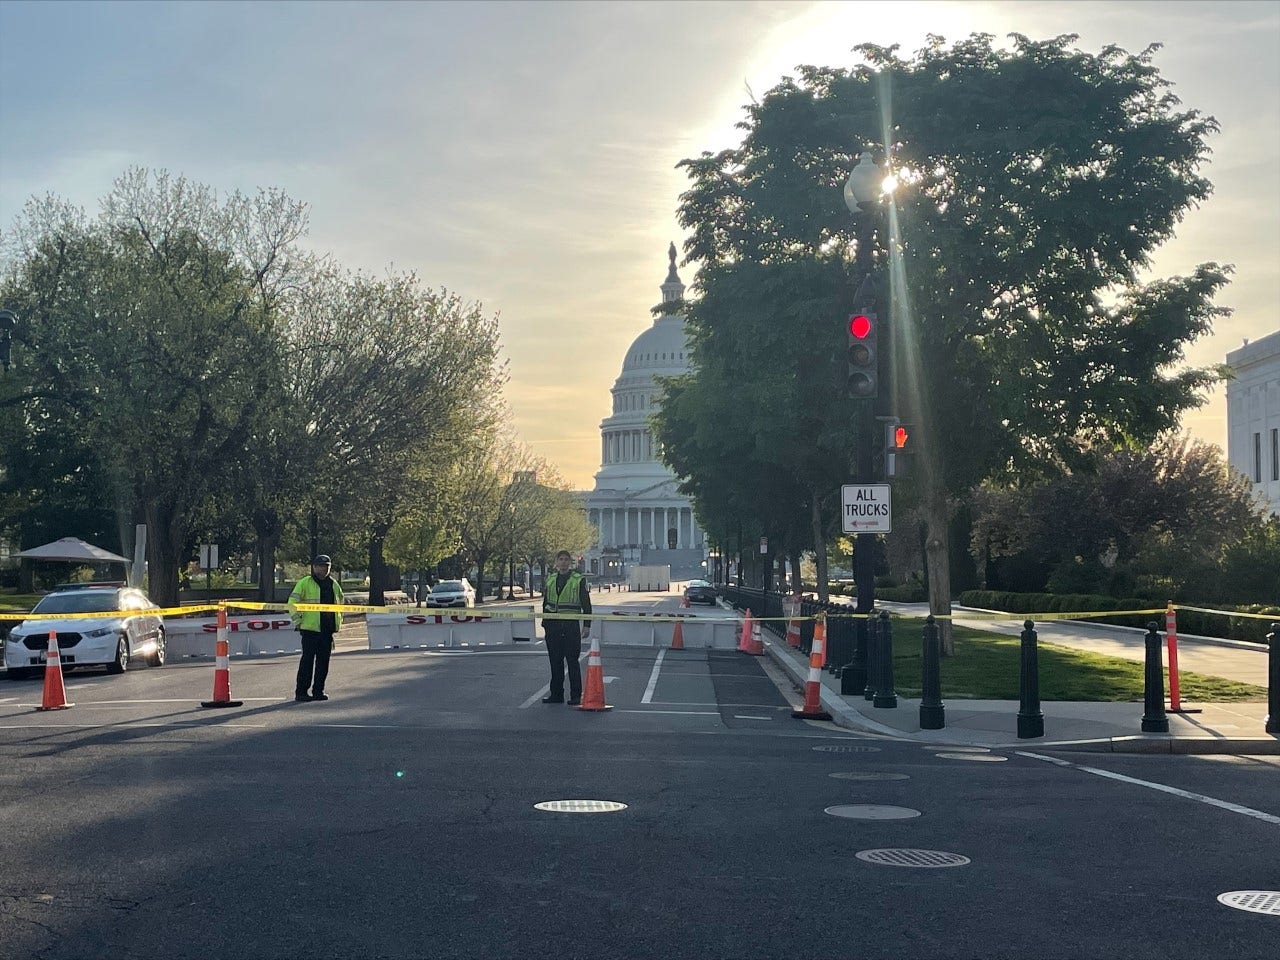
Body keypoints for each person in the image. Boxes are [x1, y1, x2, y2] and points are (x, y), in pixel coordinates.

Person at [288, 554, 344, 702]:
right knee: (307, 661)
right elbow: (292, 601)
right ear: (314, 567)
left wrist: (337, 623)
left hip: (326, 630)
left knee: (323, 662)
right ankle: (301, 692)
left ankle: (318, 691)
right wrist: (297, 621)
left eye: (326, 566)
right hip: (310, 629)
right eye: (320, 566)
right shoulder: (305, 583)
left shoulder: (334, 584)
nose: (324, 568)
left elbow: (340, 605)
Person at [541, 549, 591, 705]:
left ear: (570, 562)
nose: (563, 562)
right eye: (560, 559)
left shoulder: (578, 579)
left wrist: (587, 625)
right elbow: (546, 602)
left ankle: (576, 695)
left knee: (572, 661)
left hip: (570, 626)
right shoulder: (550, 579)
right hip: (553, 626)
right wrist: (545, 623)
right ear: (556, 562)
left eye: (565, 559)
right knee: (555, 662)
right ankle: (556, 694)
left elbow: (586, 603)